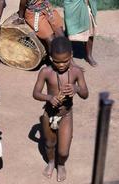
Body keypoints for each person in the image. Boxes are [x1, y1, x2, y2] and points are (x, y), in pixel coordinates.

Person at [32, 37, 88, 182]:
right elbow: (36, 93)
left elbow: (85, 94)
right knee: (50, 144)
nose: (61, 64)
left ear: (71, 56)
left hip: (66, 116)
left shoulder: (76, 72)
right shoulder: (46, 72)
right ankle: (51, 162)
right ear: (50, 58)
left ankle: (61, 164)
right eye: (57, 61)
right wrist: (49, 98)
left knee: (63, 151)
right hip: (49, 115)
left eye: (65, 61)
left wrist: (76, 88)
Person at [64, 0, 97, 66]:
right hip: (72, 4)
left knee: (90, 31)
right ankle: (69, 57)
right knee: (71, 30)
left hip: (87, 4)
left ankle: (89, 55)